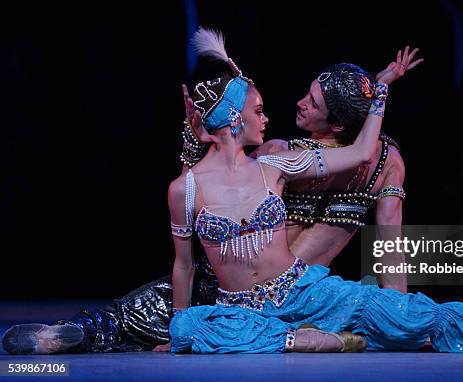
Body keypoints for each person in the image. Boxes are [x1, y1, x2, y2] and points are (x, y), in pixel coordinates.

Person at [165, 28, 463, 354]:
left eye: (311, 101)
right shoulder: (187, 188)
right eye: (258, 111)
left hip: (305, 291)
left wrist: (380, 90)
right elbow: (183, 268)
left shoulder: (276, 165)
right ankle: (299, 340)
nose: (272, 115)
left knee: (416, 315)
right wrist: (173, 335)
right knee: (188, 328)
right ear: (234, 120)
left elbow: (362, 153)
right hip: (240, 310)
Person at [3, 32, 412, 354]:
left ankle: (87, 329)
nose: (299, 103)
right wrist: (396, 316)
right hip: (297, 296)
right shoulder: (384, 158)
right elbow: (202, 194)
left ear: (338, 124)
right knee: (177, 315)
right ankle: (80, 332)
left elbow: (389, 241)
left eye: (313, 101)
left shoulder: (279, 155)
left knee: (158, 312)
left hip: (254, 292)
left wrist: (198, 136)